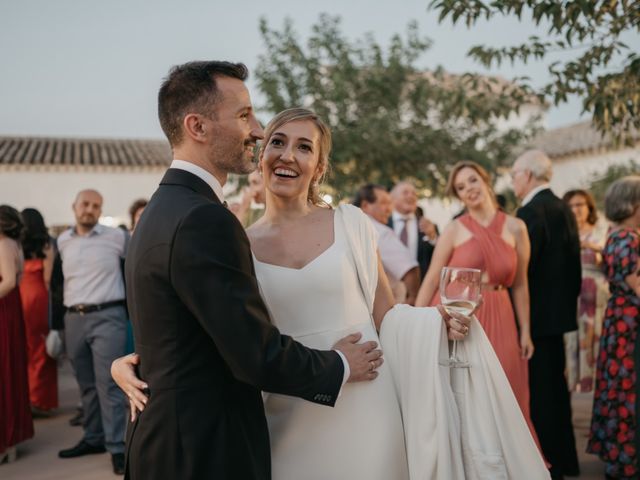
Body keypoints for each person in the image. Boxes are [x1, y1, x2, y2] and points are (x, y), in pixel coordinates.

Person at [112, 103, 552, 479]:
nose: (288, 155)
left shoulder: (352, 223)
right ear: (261, 155)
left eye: (305, 147)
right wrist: (130, 362)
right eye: (278, 142)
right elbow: (215, 332)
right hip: (285, 411)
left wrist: (435, 321)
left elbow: (387, 314)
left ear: (319, 167)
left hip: (368, 403)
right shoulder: (235, 239)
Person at [113, 61, 389, 480]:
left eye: (305, 147)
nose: (257, 131)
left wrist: (136, 362)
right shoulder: (205, 219)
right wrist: (340, 365)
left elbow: (179, 327)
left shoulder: (163, 209)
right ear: (198, 127)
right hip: (199, 450)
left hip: (174, 442)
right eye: (244, 116)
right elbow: (254, 355)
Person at [415, 160, 542, 450]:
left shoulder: (517, 227)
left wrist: (526, 331)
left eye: (472, 181)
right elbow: (433, 278)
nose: (468, 189)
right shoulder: (455, 229)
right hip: (459, 318)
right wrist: (417, 322)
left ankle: (507, 460)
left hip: (501, 311)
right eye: (460, 187)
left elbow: (521, 284)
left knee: (508, 390)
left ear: (485, 180)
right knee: (464, 392)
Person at [511, 149, 581, 479]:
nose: (512, 183)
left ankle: (547, 463)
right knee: (556, 390)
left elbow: (522, 270)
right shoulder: (564, 207)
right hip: (560, 316)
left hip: (535, 318)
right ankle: (565, 461)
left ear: (527, 175)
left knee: (539, 395)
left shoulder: (529, 212)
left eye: (514, 175)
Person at [52, 189, 129, 475]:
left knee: (109, 385)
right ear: (74, 206)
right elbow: (58, 282)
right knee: (85, 384)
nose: (90, 209)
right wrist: (55, 325)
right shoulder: (62, 241)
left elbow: (136, 268)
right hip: (74, 318)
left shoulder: (117, 238)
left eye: (96, 206)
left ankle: (117, 446)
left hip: (108, 315)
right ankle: (94, 438)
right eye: (85, 204)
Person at [587, 176, 640, 479]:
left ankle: (619, 457)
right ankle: (625, 461)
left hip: (620, 319)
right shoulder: (628, 239)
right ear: (633, 204)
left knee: (620, 386)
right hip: (628, 324)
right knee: (625, 388)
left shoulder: (618, 236)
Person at [562, 189, 609, 392]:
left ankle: (599, 386)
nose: (576, 209)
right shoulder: (564, 234)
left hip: (597, 295)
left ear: (589, 206)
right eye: (571, 205)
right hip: (572, 294)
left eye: (580, 204)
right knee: (573, 340)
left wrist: (591, 246)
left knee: (598, 338)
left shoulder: (601, 230)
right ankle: (574, 384)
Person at [0, 205, 33, 464]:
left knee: (5, 371)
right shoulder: (13, 244)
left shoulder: (4, 244)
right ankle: (9, 440)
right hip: (9, 309)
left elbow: (8, 281)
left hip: (4, 309)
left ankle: (6, 440)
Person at [19, 208, 58, 415]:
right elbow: (48, 278)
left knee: (24, 348)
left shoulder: (16, 244)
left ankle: (26, 398)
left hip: (20, 297)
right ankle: (40, 400)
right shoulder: (46, 244)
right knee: (41, 350)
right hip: (39, 299)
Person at [353, 184, 420, 304]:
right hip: (388, 309)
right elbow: (410, 269)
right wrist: (413, 299)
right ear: (365, 205)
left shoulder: (348, 229)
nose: (389, 209)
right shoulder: (379, 231)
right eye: (384, 203)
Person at [389, 181, 435, 278]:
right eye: (405, 193)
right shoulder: (382, 224)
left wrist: (432, 237)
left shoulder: (428, 226)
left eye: (414, 194)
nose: (411, 196)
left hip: (418, 287)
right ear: (393, 199)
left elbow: (436, 258)